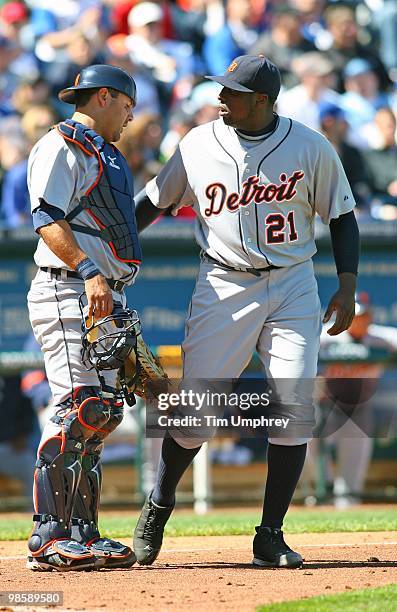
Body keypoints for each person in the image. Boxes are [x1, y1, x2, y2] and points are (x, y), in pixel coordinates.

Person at [132, 55, 359, 569]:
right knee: (197, 413)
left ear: (263, 100)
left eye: (232, 92)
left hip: (294, 283)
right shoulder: (197, 142)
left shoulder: (309, 146)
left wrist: (347, 284)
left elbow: (343, 217)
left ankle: (270, 535)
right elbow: (153, 202)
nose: (221, 98)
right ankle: (159, 505)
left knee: (294, 405)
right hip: (224, 283)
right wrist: (111, 249)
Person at [26, 64, 140, 572]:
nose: (130, 116)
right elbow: (45, 215)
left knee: (104, 414)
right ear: (104, 98)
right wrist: (91, 270)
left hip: (103, 296)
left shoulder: (107, 156)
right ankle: (47, 535)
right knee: (80, 409)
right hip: (69, 286)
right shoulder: (61, 145)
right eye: (126, 105)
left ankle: (82, 531)